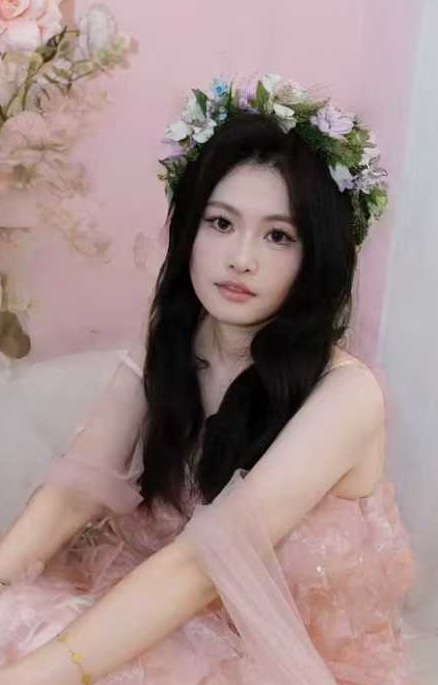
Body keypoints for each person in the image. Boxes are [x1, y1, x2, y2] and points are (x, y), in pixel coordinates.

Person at [0, 74, 416, 685]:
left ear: (317, 257)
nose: (241, 258)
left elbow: (201, 566)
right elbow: (73, 495)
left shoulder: (346, 396)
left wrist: (36, 676)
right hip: (158, 609)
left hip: (275, 658)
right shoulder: (168, 348)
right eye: (221, 223)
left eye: (278, 236)